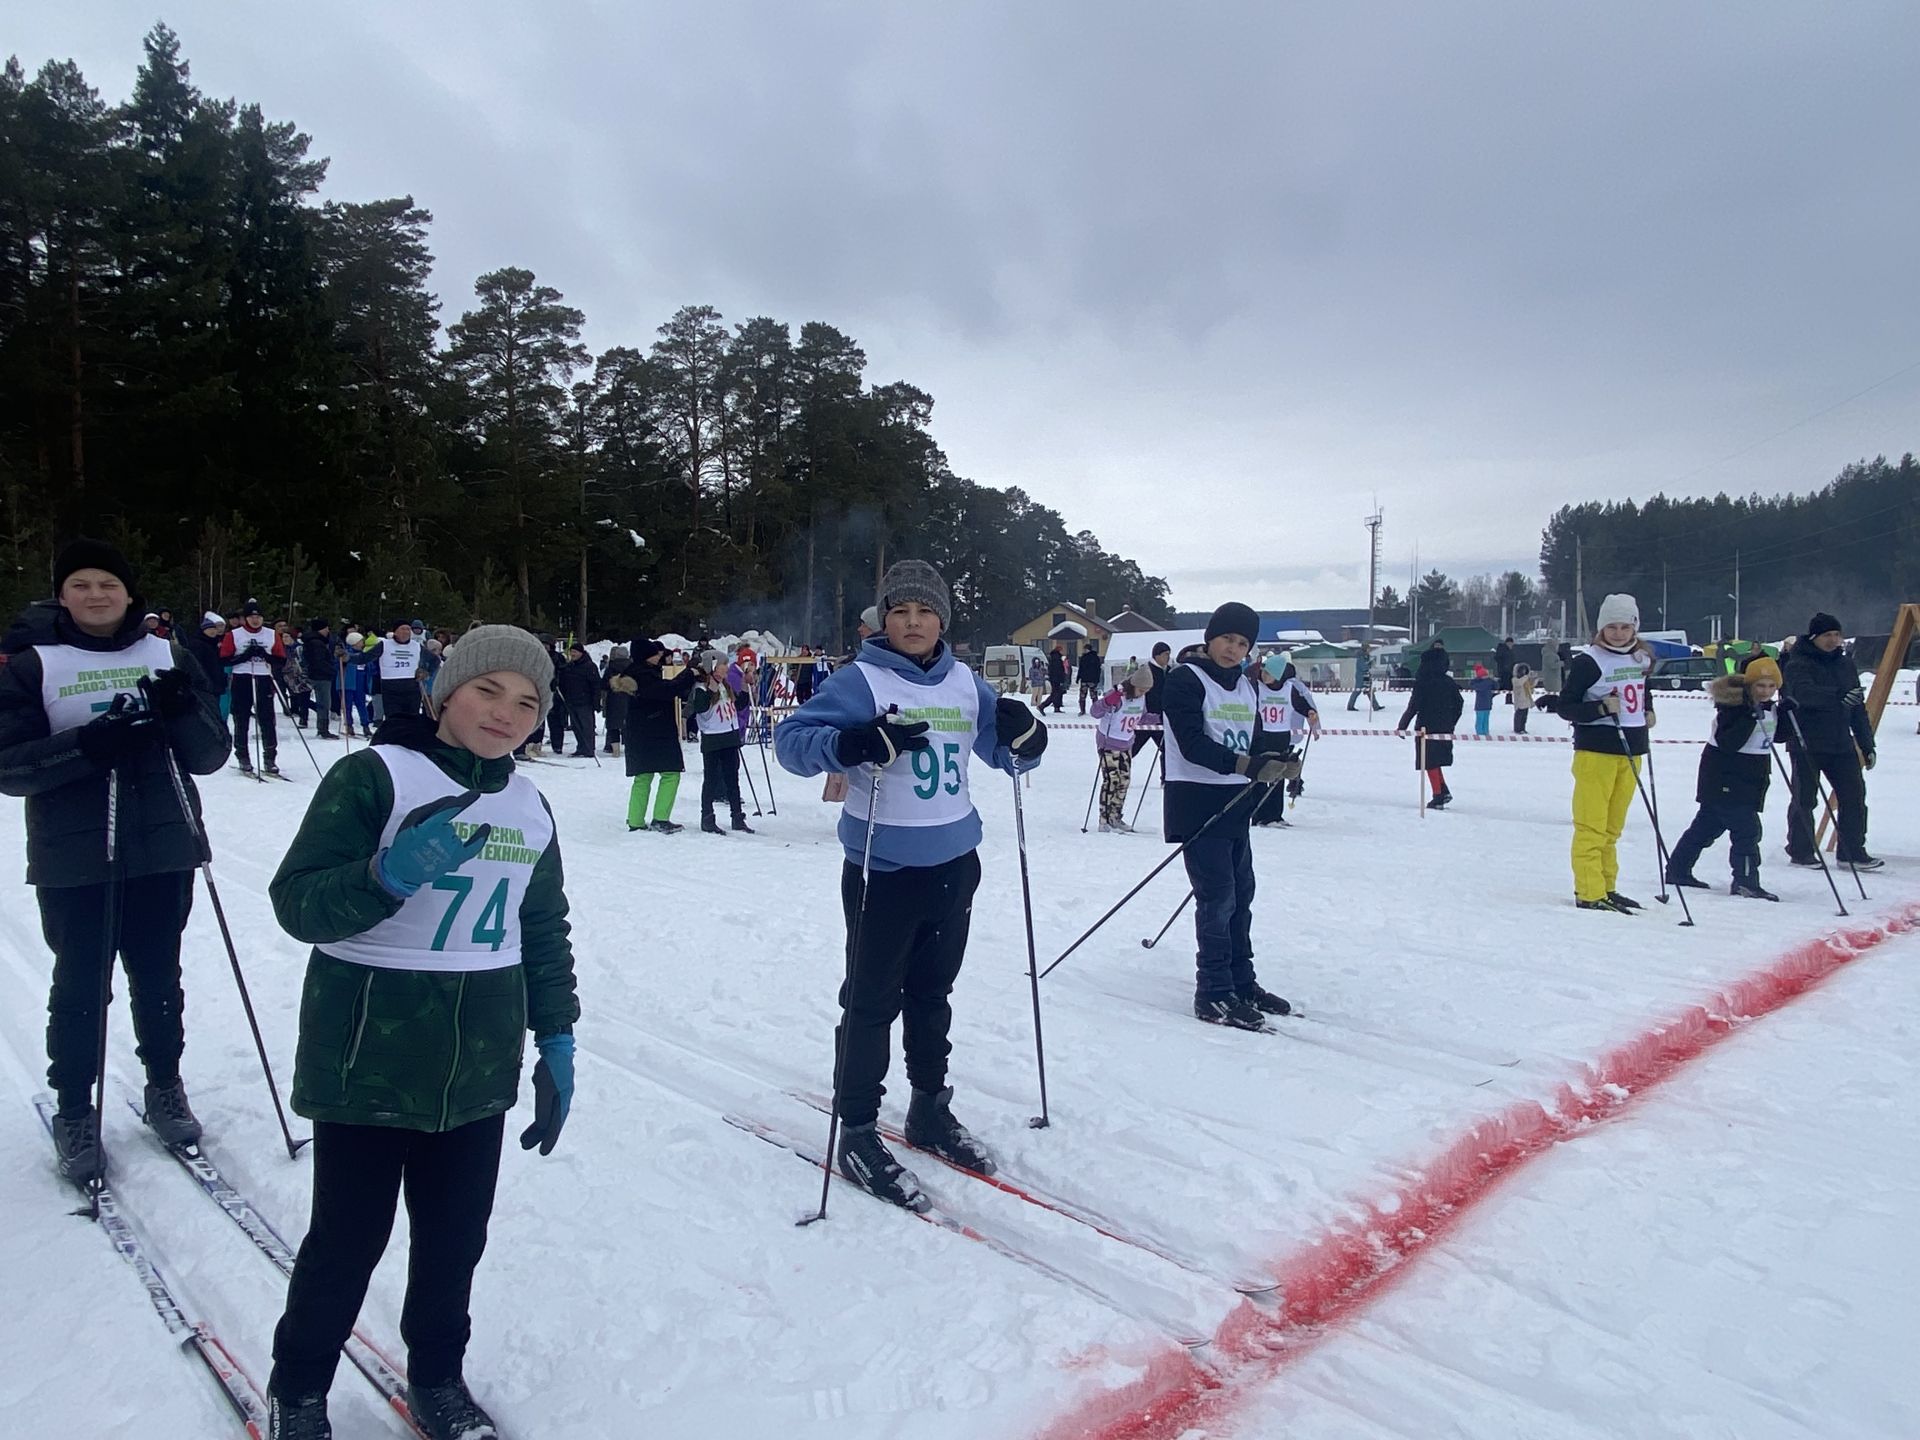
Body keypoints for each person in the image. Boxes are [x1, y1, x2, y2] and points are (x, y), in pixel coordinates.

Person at [264, 626, 578, 1440]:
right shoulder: (375, 776)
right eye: (488, 691)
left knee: (453, 1240)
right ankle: (298, 1391)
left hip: (478, 1061)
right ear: (445, 692)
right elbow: (297, 902)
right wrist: (386, 875)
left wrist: (557, 1039)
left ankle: (437, 1378)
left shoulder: (530, 805)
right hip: (370, 1050)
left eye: (527, 702)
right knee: (348, 1240)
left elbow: (541, 929)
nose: (506, 713)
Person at [773, 559, 1047, 1209]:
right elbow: (791, 741)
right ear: (883, 620)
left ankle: (929, 1107)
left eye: (925, 611)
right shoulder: (861, 680)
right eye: (901, 611)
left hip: (956, 863)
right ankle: (860, 1129)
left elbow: (1011, 756)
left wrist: (1024, 733)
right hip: (884, 868)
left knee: (933, 994)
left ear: (943, 620)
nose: (914, 621)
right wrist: (853, 744)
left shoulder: (963, 682)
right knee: (871, 1002)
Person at [0, 540, 230, 1184]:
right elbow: (9, 767)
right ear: (62, 595)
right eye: (81, 584)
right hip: (74, 852)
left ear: (130, 594)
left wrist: (182, 710)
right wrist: (85, 746)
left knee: (159, 975)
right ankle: (75, 1107)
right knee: (80, 984)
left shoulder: (168, 653)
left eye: (108, 584)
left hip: (164, 844)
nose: (96, 595)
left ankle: (164, 1084)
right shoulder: (32, 665)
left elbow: (211, 755)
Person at [1161, 602, 1293, 1031]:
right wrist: (1244, 765)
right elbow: (1191, 743)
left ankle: (1240, 980)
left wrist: (1271, 758)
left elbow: (1250, 739)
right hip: (1197, 801)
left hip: (1236, 803)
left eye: (1242, 643)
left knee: (1241, 895)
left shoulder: (1246, 686)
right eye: (1226, 639)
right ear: (1210, 638)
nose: (1233, 649)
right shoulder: (1186, 678)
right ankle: (1213, 991)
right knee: (1216, 898)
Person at [1555, 593, 1657, 913]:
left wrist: (1649, 711)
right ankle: (1589, 891)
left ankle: (1607, 886)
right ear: (1601, 628)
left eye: (1625, 627)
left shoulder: (1640, 659)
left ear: (1635, 628)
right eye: (1611, 627)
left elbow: (1641, 693)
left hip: (1632, 751)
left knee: (1613, 829)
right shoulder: (1589, 660)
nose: (1618, 633)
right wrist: (1599, 707)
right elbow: (1565, 706)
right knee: (1592, 826)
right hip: (1596, 752)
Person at [1664, 658, 1784, 900]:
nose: (1766, 691)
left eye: (1772, 686)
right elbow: (1730, 743)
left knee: (1708, 825)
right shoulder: (1733, 708)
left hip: (1752, 778)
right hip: (1725, 776)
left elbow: (1777, 736)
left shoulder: (1769, 708)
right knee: (1747, 831)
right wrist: (1750, 716)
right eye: (1760, 686)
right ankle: (1745, 881)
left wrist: (1790, 714)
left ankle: (1677, 869)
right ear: (1749, 685)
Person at [1781, 612, 1880, 870]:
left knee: (1854, 796)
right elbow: (1803, 694)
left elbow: (1856, 706)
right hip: (1807, 741)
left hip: (1840, 741)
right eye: (1827, 635)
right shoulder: (1798, 662)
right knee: (1806, 798)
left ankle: (1852, 851)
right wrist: (1838, 696)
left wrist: (1866, 744)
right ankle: (1801, 850)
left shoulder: (1845, 663)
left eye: (1837, 635)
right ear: (1815, 637)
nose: (1833, 640)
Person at [617, 638, 701, 834]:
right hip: (656, 731)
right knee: (670, 773)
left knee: (643, 775)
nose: (659, 656)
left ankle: (636, 819)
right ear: (646, 655)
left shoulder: (634, 673)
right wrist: (689, 674)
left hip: (640, 732)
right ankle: (660, 818)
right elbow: (666, 690)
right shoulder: (643, 674)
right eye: (655, 653)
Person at [689, 648, 752, 834]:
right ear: (713, 667)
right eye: (723, 664)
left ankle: (737, 817)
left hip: (729, 736)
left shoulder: (726, 686)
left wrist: (745, 686)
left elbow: (739, 704)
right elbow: (699, 708)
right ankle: (707, 817)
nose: (726, 667)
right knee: (711, 779)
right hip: (713, 738)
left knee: (732, 778)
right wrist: (710, 690)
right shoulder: (701, 687)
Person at [220, 599, 285, 775]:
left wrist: (265, 655)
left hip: (264, 678)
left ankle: (270, 757)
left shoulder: (271, 634)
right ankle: (243, 756)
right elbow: (225, 659)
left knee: (267, 719)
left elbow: (281, 660)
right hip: (242, 678)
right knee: (241, 719)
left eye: (258, 616)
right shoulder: (234, 635)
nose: (255, 620)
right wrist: (244, 656)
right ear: (245, 618)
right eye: (251, 616)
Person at [1252, 655, 1318, 826]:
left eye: (1269, 673)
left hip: (1281, 736)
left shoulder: (1289, 689)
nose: (1264, 676)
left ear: (1278, 675)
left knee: (1278, 777)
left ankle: (1275, 815)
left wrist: (1310, 713)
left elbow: (1302, 705)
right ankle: (1259, 815)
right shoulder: (1255, 687)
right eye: (1264, 671)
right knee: (1259, 775)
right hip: (1261, 736)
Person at [1399, 645, 1464, 810]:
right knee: (1436, 761)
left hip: (1426, 727)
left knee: (1429, 762)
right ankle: (1442, 790)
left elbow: (1414, 705)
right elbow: (1459, 703)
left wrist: (1403, 724)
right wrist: (1451, 722)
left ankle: (1438, 795)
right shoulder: (1448, 682)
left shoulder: (1423, 681)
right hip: (1445, 728)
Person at [1091, 668, 1146, 832]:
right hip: (1108, 743)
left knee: (1124, 781)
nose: (1143, 693)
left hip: (1126, 743)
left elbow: (1141, 718)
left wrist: (1159, 719)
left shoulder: (1142, 698)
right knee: (1111, 780)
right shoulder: (1117, 695)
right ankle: (1104, 819)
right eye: (1142, 689)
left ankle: (1115, 816)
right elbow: (1095, 712)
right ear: (1133, 685)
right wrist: (1107, 702)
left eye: (1146, 690)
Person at [362, 620, 426, 721]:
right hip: (391, 687)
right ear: (395, 632)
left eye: (408, 629)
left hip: (411, 688)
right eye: (402, 629)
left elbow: (434, 660)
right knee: (393, 720)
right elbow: (364, 658)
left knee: (412, 720)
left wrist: (425, 671)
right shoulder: (385, 644)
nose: (406, 632)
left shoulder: (416, 646)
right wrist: (347, 657)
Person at [555, 642, 602, 758]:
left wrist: (596, 702)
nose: (572, 654)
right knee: (576, 726)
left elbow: (596, 685)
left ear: (581, 653)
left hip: (585, 701)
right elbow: (563, 680)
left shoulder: (589, 666)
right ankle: (581, 747)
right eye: (571, 652)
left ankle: (589, 748)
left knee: (586, 726)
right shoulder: (570, 666)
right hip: (571, 701)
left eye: (575, 652)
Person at [301, 620, 340, 740]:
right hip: (321, 676)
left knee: (320, 702)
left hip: (315, 674)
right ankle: (323, 729)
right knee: (324, 703)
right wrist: (332, 670)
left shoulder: (310, 641)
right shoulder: (317, 643)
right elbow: (320, 661)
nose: (328, 631)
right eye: (326, 628)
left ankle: (320, 727)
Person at [339, 631, 373, 738]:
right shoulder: (346, 654)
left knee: (361, 704)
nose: (362, 643)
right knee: (347, 705)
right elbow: (338, 666)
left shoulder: (364, 654)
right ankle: (349, 725)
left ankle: (365, 726)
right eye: (360, 641)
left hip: (360, 682)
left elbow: (369, 667)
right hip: (348, 683)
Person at [602, 645, 632, 756]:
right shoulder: (632, 667)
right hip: (629, 700)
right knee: (628, 725)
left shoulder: (610, 667)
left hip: (614, 700)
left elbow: (604, 685)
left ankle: (615, 751)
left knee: (613, 726)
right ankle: (629, 748)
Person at [1347, 642, 1384, 712]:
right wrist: (1370, 664)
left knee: (1369, 691)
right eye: (1368, 648)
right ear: (1365, 649)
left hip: (1366, 676)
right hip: (1360, 677)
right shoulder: (1360, 657)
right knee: (1357, 691)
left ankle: (1376, 706)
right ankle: (1350, 706)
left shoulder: (1366, 656)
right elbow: (1364, 667)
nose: (1369, 650)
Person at [1076, 640, 1103, 714]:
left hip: (1087, 680)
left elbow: (1081, 668)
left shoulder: (1085, 658)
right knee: (1092, 696)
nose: (1084, 650)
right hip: (1090, 680)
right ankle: (1093, 710)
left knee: (1084, 696)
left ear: (1087, 649)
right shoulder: (1095, 657)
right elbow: (1098, 669)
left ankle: (1084, 710)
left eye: (1085, 649)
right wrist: (1097, 679)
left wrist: (1078, 677)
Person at [1471, 663, 1496, 736]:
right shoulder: (1490, 682)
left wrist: (1477, 679)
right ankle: (1486, 732)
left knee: (1479, 720)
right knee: (1486, 720)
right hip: (1488, 704)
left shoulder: (1479, 684)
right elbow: (1497, 686)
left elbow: (1472, 684)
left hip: (1480, 705)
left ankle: (1479, 733)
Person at [1044, 643, 1069, 715]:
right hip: (1056, 679)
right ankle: (1043, 706)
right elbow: (1058, 670)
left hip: (1054, 678)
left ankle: (1056, 707)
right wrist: (1062, 678)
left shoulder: (1053, 658)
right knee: (1056, 693)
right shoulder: (1057, 659)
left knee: (1057, 693)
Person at [1511, 662, 1537, 734]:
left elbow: (1530, 688)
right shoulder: (1515, 679)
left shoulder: (1525, 680)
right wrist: (1526, 677)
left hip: (1526, 700)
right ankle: (1517, 728)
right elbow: (1519, 683)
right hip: (1520, 701)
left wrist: (1533, 680)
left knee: (1524, 716)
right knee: (1519, 715)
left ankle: (1522, 728)